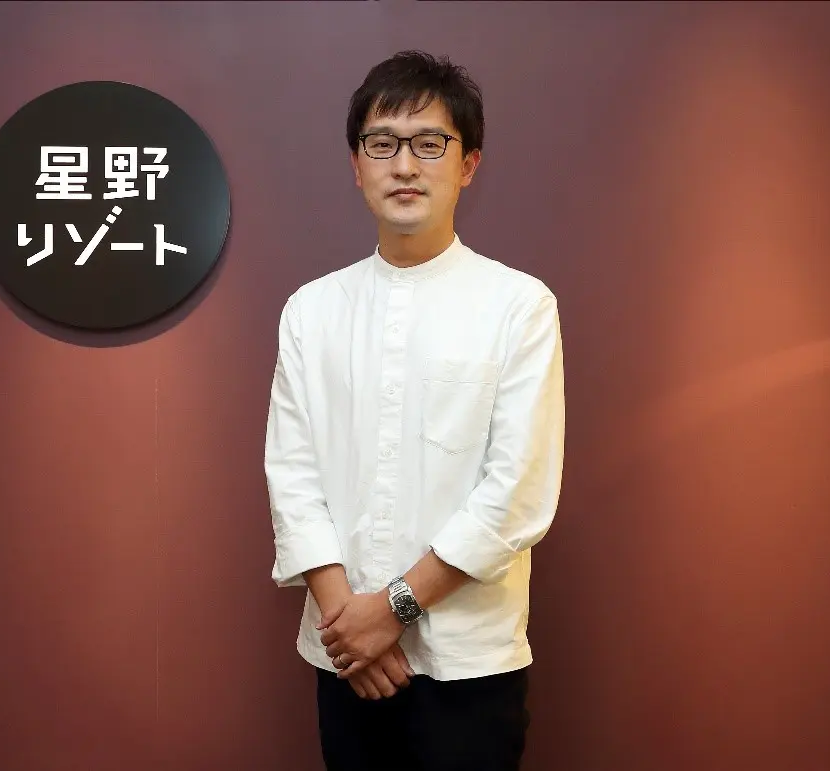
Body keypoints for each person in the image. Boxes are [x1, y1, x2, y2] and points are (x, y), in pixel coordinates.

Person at [263, 50, 565, 771]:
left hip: (470, 662)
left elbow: (516, 493)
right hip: (345, 659)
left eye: (430, 143)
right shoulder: (312, 310)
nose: (404, 165)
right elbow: (293, 476)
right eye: (382, 144)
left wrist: (390, 610)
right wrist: (350, 626)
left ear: (468, 164)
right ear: (356, 164)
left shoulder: (518, 306)